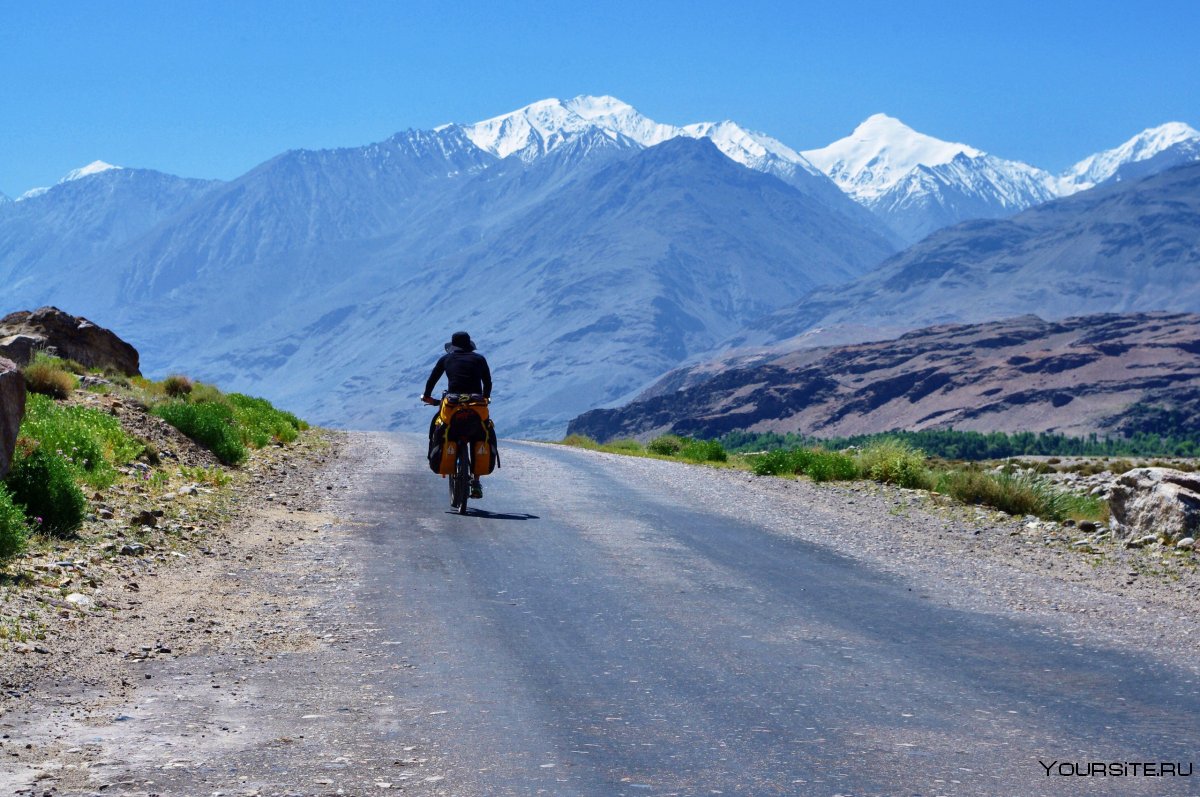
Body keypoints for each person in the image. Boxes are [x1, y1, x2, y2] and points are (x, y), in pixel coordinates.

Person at [423, 331, 492, 498]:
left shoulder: (446, 359)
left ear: (452, 346)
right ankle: (476, 482)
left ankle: (443, 461)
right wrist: (486, 397)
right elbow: (488, 382)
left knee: (439, 426)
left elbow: (432, 379)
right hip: (476, 407)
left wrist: (427, 396)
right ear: (469, 345)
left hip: (452, 407)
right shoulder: (479, 359)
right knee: (482, 435)